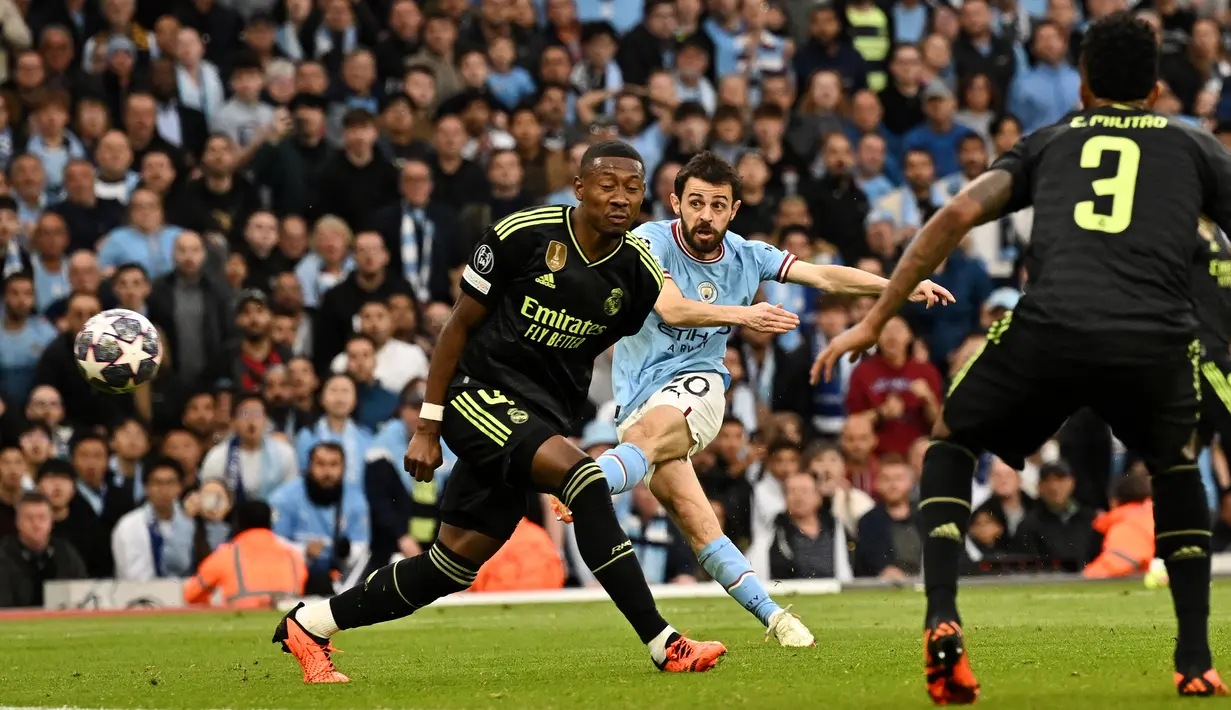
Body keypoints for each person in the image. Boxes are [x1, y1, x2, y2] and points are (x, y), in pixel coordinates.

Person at [813, 13, 1231, 701]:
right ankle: (1194, 659)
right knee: (1175, 462)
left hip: (1053, 326)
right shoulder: (1194, 149)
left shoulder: (1048, 141)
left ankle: (941, 615)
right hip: (1153, 339)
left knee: (950, 439)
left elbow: (951, 218)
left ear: (1083, 85)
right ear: (1155, 90)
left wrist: (873, 319)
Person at [275, 141, 728, 683]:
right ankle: (664, 643)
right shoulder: (524, 234)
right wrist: (428, 425)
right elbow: (457, 326)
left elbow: (618, 348)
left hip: (537, 422)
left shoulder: (639, 275)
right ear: (579, 188)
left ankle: (311, 623)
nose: (619, 198)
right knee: (583, 479)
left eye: (632, 188)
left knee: (450, 566)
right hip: (478, 396)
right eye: (607, 185)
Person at [557, 151, 951, 645]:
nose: (706, 215)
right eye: (696, 202)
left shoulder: (750, 255)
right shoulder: (648, 242)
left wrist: (901, 285)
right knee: (699, 524)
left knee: (648, 435)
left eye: (718, 205)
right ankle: (777, 619)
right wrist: (747, 316)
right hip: (637, 396)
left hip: (699, 386)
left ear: (734, 210)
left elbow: (825, 276)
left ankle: (588, 482)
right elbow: (674, 309)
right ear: (676, 202)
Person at [270, 442, 370, 596]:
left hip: (339, 580)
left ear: (343, 468)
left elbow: (362, 550)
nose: (327, 472)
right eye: (320, 464)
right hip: (293, 578)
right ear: (308, 467)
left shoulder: (356, 500)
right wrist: (304, 551)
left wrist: (347, 552)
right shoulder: (284, 498)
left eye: (334, 465)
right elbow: (273, 543)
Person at [182, 500, 307, 608]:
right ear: (270, 522)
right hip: (287, 625)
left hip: (240, 620)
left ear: (238, 523)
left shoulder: (228, 553)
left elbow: (191, 595)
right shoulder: (293, 555)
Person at [110, 457, 194, 581]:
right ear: (146, 488)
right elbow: (131, 575)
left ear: (180, 487)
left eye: (170, 483)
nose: (164, 490)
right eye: (157, 483)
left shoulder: (190, 522)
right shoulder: (129, 525)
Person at [0, 492, 88, 608]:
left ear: (51, 521)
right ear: (17, 522)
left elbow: (82, 593)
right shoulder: (4, 556)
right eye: (29, 518)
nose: (36, 524)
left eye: (42, 518)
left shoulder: (65, 553)